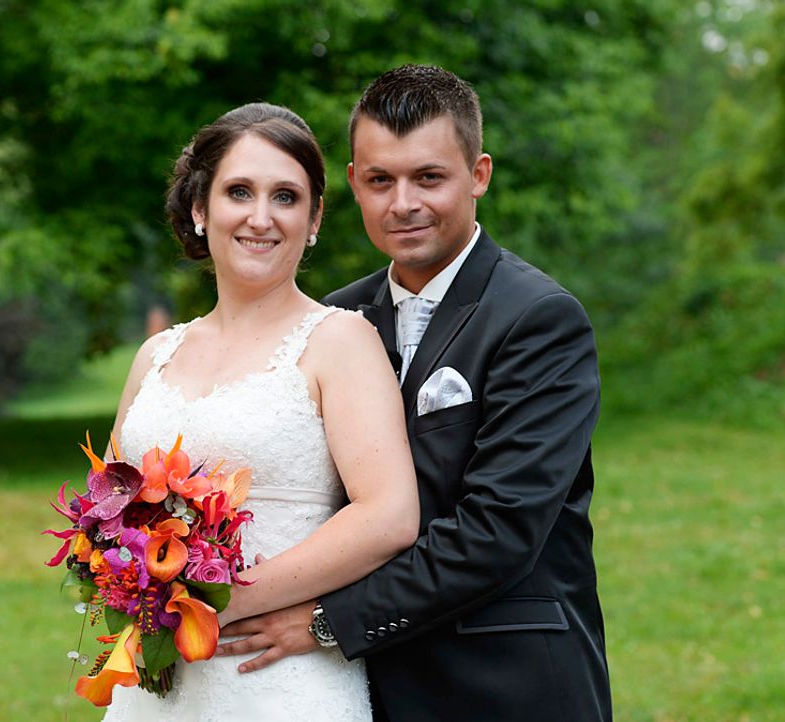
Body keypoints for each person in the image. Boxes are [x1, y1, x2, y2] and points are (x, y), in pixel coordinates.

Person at [217, 65, 611, 720]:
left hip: (502, 686)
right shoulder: (333, 323)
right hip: (361, 691)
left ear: (478, 174)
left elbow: (498, 530)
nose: (403, 203)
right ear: (353, 184)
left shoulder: (538, 319)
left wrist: (326, 621)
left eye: (429, 177)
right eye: (380, 180)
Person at [101, 102, 420, 722]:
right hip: (153, 685)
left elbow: (389, 515)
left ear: (315, 217)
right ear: (200, 208)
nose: (260, 217)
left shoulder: (340, 342)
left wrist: (215, 602)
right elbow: (112, 504)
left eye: (286, 197)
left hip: (278, 682)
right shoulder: (155, 354)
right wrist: (120, 580)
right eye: (239, 191)